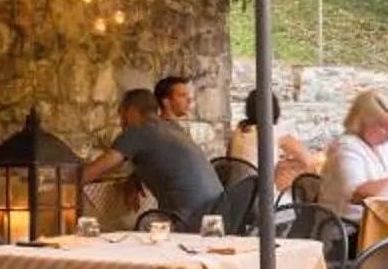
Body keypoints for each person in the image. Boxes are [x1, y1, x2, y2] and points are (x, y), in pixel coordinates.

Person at [84, 86, 222, 226]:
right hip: (220, 215)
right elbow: (165, 161)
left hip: (188, 220)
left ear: (130, 110)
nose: (121, 122)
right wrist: (135, 178)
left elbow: (92, 172)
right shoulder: (173, 129)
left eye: (121, 114)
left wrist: (65, 182)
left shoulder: (136, 132)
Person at [321, 90, 388, 219]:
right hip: (349, 228)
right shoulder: (345, 147)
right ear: (360, 122)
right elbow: (358, 193)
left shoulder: (384, 147)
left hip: (378, 220)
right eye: (382, 125)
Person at [228, 89, 316, 197]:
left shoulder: (239, 130)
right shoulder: (274, 131)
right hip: (262, 198)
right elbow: (308, 160)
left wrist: (278, 165)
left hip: (236, 197)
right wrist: (285, 165)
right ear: (274, 109)